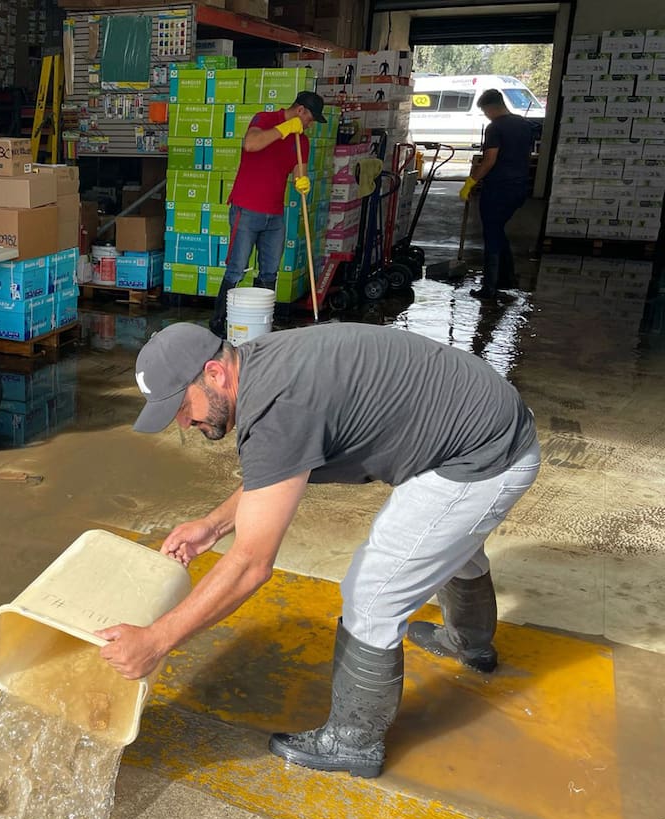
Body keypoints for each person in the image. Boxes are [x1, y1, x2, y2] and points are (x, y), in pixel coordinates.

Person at [98, 322, 540, 778]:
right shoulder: (260, 366)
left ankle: (353, 742)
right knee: (449, 542)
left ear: (214, 373)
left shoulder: (278, 408)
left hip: (483, 456)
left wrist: (157, 640)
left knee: (373, 597)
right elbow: (279, 470)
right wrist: (214, 524)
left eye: (181, 407)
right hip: (482, 423)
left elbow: (251, 564)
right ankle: (468, 644)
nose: (184, 424)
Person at [210, 91, 327, 337]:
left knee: (269, 271)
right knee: (237, 267)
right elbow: (251, 144)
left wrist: (302, 182)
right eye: (310, 119)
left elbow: (299, 171)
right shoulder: (264, 119)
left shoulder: (301, 141)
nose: (310, 124)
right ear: (301, 111)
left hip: (275, 214)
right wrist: (284, 129)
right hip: (247, 208)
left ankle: (259, 321)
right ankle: (218, 321)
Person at [459, 89, 533, 300]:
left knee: (491, 233)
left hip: (499, 189)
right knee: (498, 230)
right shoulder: (523, 124)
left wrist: (471, 182)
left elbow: (490, 160)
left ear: (490, 108)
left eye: (485, 111)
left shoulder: (495, 127)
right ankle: (506, 279)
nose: (486, 115)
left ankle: (489, 287)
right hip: (519, 188)